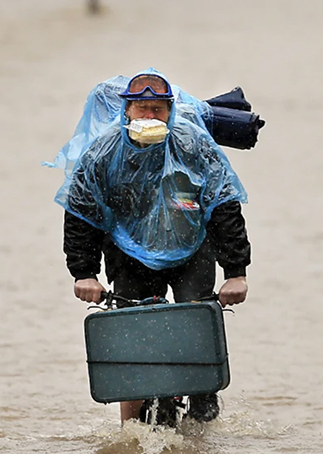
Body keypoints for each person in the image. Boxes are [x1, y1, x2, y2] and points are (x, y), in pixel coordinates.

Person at [59, 69, 251, 425]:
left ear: (170, 111)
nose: (149, 116)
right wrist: (83, 273)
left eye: (157, 110)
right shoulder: (102, 153)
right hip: (129, 253)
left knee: (197, 330)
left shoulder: (192, 145)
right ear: (127, 111)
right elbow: (81, 214)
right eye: (142, 109)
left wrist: (236, 272)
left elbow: (223, 205)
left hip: (191, 247)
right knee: (133, 344)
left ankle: (202, 428)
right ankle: (129, 431)